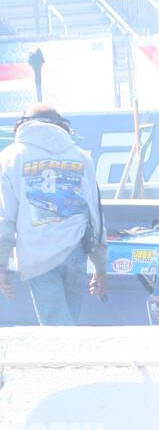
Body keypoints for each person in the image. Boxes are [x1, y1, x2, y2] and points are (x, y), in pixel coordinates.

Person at [0, 105, 107, 324]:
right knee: (67, 327)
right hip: (75, 250)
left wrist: (1, 266)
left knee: (58, 333)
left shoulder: (10, 157)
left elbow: (5, 218)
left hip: (37, 255)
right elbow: (95, 214)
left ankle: (73, 359)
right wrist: (100, 266)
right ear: (61, 126)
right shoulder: (80, 155)